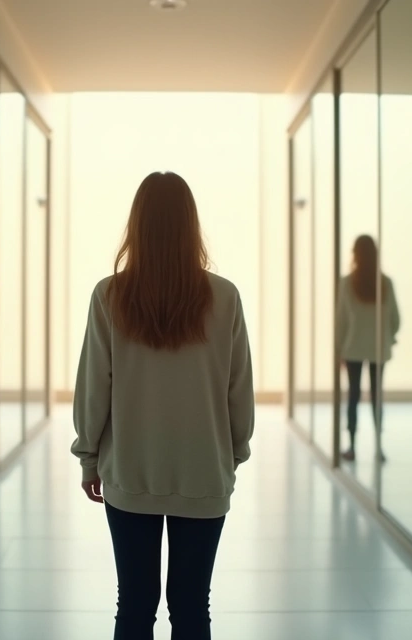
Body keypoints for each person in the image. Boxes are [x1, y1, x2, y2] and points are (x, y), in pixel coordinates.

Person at [72, 171, 255, 640]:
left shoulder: (109, 296)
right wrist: (232, 456)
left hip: (130, 473)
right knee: (192, 607)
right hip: (203, 475)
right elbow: (238, 389)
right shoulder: (225, 297)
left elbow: (94, 388)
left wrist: (89, 457)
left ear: (137, 226)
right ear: (191, 226)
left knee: (134, 605)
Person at [336, 234, 400, 462]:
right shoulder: (385, 283)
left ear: (355, 254)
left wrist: (338, 350)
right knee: (377, 397)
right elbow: (395, 319)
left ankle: (352, 447)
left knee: (353, 396)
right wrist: (388, 337)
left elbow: (341, 321)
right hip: (378, 349)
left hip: (353, 348)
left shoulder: (347, 283)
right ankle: (379, 447)